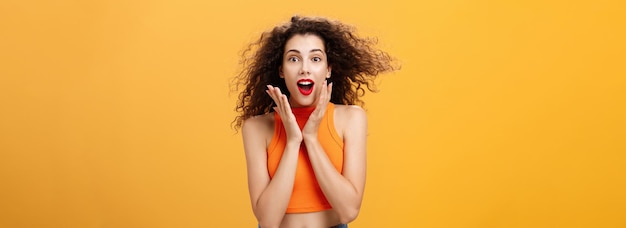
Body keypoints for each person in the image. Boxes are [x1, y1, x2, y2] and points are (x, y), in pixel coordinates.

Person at [232, 15, 397, 228]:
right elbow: (268, 220)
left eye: (315, 59)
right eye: (294, 59)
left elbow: (349, 210)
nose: (305, 69)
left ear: (328, 69)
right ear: (281, 70)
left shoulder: (351, 118)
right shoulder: (257, 127)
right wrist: (293, 142)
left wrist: (310, 138)